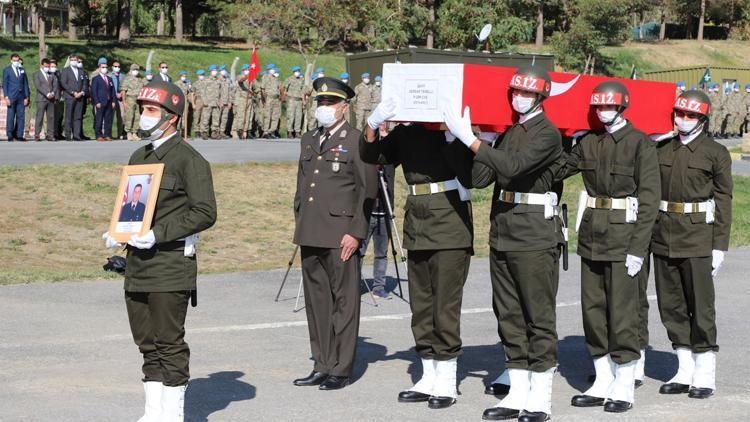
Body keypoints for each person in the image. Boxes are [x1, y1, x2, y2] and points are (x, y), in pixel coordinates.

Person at [445, 64, 564, 422]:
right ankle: (517, 390)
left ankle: (540, 396)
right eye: (515, 92)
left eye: (526, 93)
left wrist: (474, 140)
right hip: (504, 230)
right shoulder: (509, 131)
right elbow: (479, 178)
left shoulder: (548, 133)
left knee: (536, 315)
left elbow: (513, 168)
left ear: (541, 97)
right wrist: (458, 142)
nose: (519, 98)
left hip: (534, 234)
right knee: (508, 314)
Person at [102, 80, 217, 422]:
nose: (144, 115)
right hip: (137, 265)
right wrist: (118, 231)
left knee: (169, 343)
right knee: (147, 344)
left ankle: (173, 415)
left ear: (172, 117)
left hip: (169, 265)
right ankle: (152, 414)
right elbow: (132, 206)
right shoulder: (140, 155)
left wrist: (157, 234)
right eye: (142, 109)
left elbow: (205, 212)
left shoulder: (189, 160)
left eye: (151, 110)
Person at [361, 99, 475, 409]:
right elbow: (373, 155)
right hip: (418, 219)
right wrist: (372, 125)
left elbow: (472, 175)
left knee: (445, 303)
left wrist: (458, 137)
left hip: (450, 219)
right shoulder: (407, 132)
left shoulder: (452, 131)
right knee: (422, 302)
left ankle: (448, 380)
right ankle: (428, 374)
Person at [556, 81, 660, 414]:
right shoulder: (587, 142)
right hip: (592, 237)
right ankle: (602, 378)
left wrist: (638, 248)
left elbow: (649, 200)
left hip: (624, 238)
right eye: (598, 108)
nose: (603, 113)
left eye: (609, 107)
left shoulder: (640, 144)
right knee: (593, 310)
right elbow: (559, 169)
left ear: (622, 108)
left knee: (623, 312)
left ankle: (625, 381)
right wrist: (561, 140)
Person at [292, 76, 377, 391]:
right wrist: (300, 219)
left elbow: (367, 190)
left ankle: (340, 369)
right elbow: (303, 185)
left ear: (345, 106)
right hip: (311, 230)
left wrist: (356, 232)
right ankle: (322, 363)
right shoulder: (309, 139)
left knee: (344, 303)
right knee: (317, 304)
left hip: (342, 234)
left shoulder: (356, 140)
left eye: (330, 102)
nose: (324, 107)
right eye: (320, 102)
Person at [652, 89, 732, 400]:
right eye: (680, 114)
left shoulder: (715, 152)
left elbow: (724, 200)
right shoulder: (661, 148)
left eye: (691, 115)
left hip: (699, 236)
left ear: (702, 119)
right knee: (671, 306)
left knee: (700, 307)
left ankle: (705, 372)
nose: (683, 119)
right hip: (664, 235)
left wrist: (719, 246)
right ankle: (684, 369)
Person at [359, 163, 395, 299]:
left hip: (385, 214)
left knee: (382, 253)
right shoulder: (365, 163)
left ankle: (378, 287)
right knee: (359, 252)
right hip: (366, 215)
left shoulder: (389, 165)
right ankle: (353, 285)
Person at [3, 53, 30, 142]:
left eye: (17, 60)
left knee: (21, 116)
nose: (16, 62)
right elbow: (5, 84)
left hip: (21, 97)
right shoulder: (7, 70)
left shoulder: (22, 70)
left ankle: (19, 135)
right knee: (11, 116)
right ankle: (10, 135)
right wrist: (6, 97)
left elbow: (25, 84)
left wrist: (26, 97)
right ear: (11, 61)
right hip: (11, 96)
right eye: (14, 60)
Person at [60, 54, 86, 141]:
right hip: (70, 97)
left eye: (75, 60)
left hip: (80, 97)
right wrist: (73, 92)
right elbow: (63, 83)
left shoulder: (81, 71)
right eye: (72, 60)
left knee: (78, 117)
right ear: (69, 61)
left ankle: (76, 135)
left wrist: (82, 92)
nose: (74, 61)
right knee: (69, 116)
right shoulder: (65, 71)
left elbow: (85, 84)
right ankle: (68, 135)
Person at [32, 58, 59, 142]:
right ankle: (37, 134)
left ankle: (50, 135)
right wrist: (47, 94)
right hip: (41, 99)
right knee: (39, 117)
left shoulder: (51, 74)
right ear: (42, 65)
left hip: (51, 99)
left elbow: (55, 85)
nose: (47, 68)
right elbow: (38, 86)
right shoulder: (36, 74)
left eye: (48, 66)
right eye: (46, 66)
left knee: (51, 117)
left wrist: (53, 93)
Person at [91, 57, 117, 142]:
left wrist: (113, 101)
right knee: (99, 119)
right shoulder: (96, 79)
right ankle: (98, 135)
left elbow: (112, 90)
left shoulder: (109, 79)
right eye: (103, 67)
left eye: (106, 67)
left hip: (109, 102)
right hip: (100, 102)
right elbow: (94, 91)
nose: (104, 69)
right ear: (99, 68)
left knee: (108, 119)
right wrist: (97, 102)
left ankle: (107, 135)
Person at [232, 64, 257, 140]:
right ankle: (240, 130)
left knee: (249, 116)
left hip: (249, 99)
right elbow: (240, 81)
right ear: (243, 70)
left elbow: (256, 87)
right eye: (246, 69)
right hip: (242, 99)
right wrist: (247, 76)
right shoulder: (240, 76)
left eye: (248, 69)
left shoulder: (252, 78)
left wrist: (255, 93)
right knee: (241, 116)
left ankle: (247, 131)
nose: (248, 71)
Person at [121, 64, 145, 141]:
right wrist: (124, 102)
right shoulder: (127, 79)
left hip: (138, 100)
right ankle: (128, 133)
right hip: (130, 98)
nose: (136, 71)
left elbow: (143, 90)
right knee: (129, 116)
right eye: (134, 69)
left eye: (137, 70)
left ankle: (135, 132)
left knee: (137, 117)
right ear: (131, 70)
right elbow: (123, 91)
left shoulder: (140, 80)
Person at [200, 65, 221, 140]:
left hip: (216, 102)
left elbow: (220, 91)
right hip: (208, 102)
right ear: (211, 71)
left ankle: (214, 132)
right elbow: (202, 91)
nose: (215, 71)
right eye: (214, 70)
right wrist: (204, 101)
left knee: (216, 118)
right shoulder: (206, 80)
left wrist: (220, 101)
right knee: (206, 117)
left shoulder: (219, 80)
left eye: (216, 70)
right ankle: (204, 132)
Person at [284, 66, 305, 138]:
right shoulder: (289, 79)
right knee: (291, 116)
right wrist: (285, 97)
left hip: (298, 100)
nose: (298, 72)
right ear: (293, 72)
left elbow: (303, 90)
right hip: (291, 100)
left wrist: (303, 101)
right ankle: (289, 132)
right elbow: (284, 88)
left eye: (299, 71)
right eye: (296, 71)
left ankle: (297, 132)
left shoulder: (302, 80)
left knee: (298, 116)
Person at [261, 64, 282, 138]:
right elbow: (263, 89)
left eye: (274, 69)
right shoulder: (265, 77)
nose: (274, 70)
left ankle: (271, 131)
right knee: (268, 115)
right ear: (269, 70)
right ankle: (265, 132)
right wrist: (264, 99)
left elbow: (279, 88)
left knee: (275, 116)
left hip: (276, 99)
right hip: (269, 98)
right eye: (272, 69)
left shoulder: (275, 78)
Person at [110, 60, 125, 139]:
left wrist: (121, 94)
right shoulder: (109, 75)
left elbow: (125, 87)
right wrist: (115, 94)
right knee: (110, 116)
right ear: (112, 67)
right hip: (112, 99)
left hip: (121, 99)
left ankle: (120, 134)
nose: (117, 68)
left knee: (122, 116)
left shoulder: (123, 76)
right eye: (115, 66)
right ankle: (109, 134)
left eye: (118, 66)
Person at [217, 65, 231, 139]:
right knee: (217, 117)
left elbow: (229, 92)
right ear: (220, 71)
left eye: (225, 70)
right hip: (220, 102)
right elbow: (216, 92)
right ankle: (216, 131)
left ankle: (222, 131)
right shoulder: (217, 80)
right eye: (223, 70)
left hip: (226, 102)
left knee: (224, 118)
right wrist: (219, 101)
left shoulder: (227, 80)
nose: (224, 71)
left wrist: (229, 102)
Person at [192, 69, 206, 139]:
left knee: (204, 117)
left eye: (203, 75)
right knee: (197, 116)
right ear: (198, 76)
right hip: (198, 100)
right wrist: (193, 103)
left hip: (205, 101)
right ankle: (196, 131)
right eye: (200, 75)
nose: (202, 76)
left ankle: (202, 131)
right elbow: (193, 94)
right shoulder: (195, 84)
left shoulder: (206, 83)